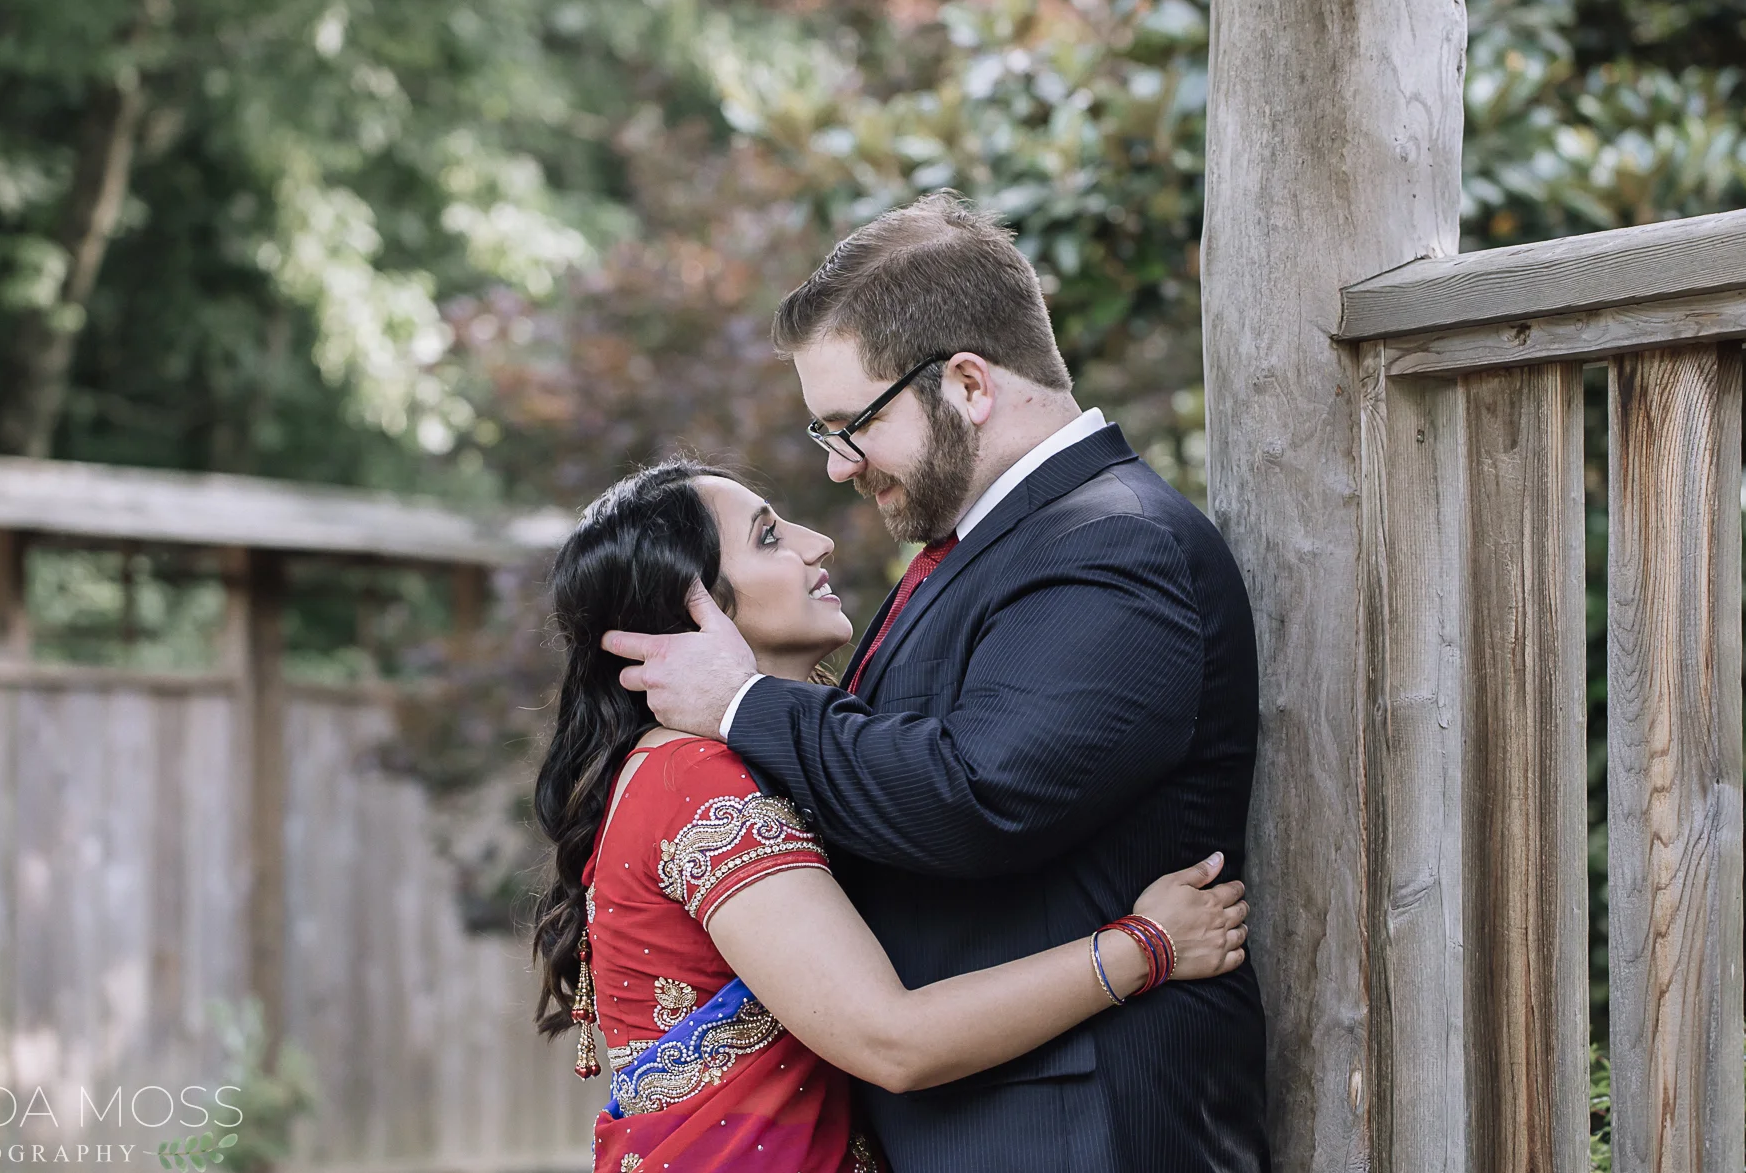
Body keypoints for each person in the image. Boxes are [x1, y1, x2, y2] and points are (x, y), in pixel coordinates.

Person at [601, 193, 1270, 1172]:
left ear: (967, 383)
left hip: (1076, 1139)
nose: (839, 468)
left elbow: (976, 797)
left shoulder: (1111, 543)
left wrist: (741, 702)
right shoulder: (996, 547)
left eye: (852, 425)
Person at [533, 460, 1251, 1173]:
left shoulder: (720, 763)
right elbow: (892, 1042)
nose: (816, 543)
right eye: (769, 537)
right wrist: (1147, 946)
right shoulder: (696, 780)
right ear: (689, 611)